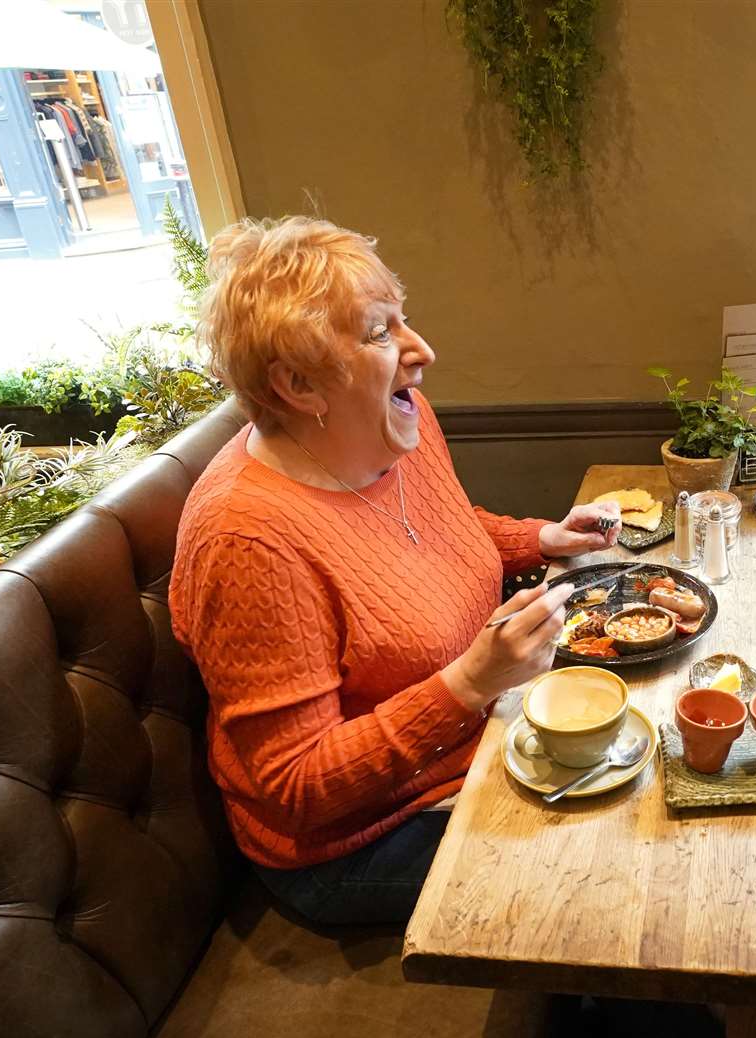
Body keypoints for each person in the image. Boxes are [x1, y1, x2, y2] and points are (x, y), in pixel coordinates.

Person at [171, 216, 623, 926]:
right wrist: (470, 683)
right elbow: (297, 785)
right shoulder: (248, 541)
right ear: (296, 384)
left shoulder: (396, 421)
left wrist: (540, 537)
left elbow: (435, 530)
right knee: (612, 860)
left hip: (474, 744)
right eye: (380, 334)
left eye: (403, 321)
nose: (423, 351)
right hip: (357, 843)